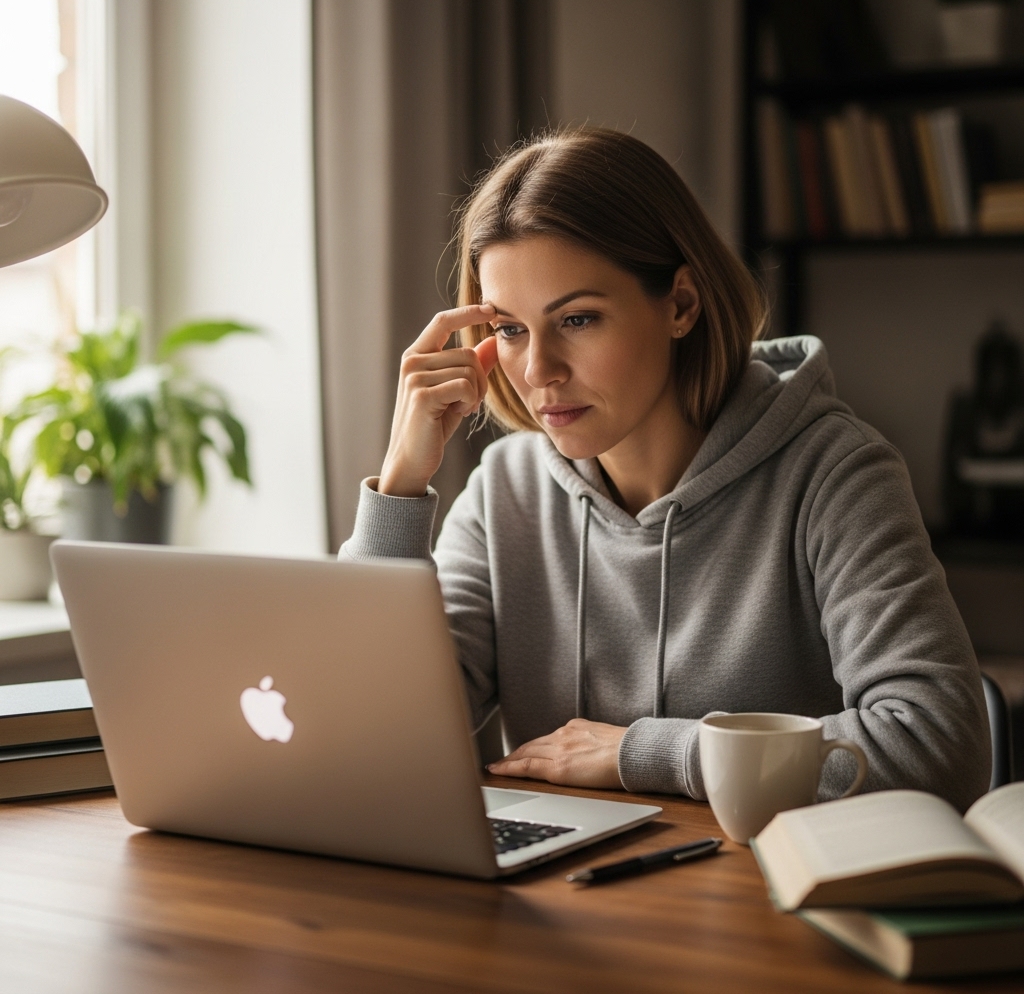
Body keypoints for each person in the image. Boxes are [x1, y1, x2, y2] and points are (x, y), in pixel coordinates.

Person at [341, 128, 990, 811]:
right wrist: (401, 487)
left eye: (579, 319)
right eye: (509, 329)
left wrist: (644, 753)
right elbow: (370, 731)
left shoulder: (835, 474)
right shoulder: (506, 491)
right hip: (566, 897)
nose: (539, 371)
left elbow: (937, 745)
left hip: (764, 897)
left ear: (680, 304)